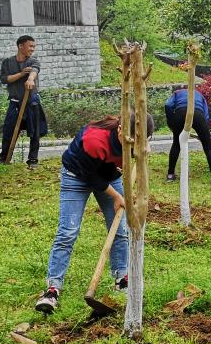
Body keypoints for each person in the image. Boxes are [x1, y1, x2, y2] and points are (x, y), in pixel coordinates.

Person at [35, 113, 155, 315]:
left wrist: (143, 150)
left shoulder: (139, 141)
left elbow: (134, 162)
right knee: (68, 231)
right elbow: (91, 178)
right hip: (77, 175)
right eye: (133, 140)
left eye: (141, 140)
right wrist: (117, 196)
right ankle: (52, 289)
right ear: (120, 130)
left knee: (119, 229)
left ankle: (122, 280)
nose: (136, 144)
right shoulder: (95, 139)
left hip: (109, 174)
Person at [0, 35, 47, 167]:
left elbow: (34, 71)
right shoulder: (8, 62)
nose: (33, 49)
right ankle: (4, 159)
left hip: (32, 102)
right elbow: (4, 79)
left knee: (34, 132)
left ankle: (33, 160)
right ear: (21, 46)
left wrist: (30, 79)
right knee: (9, 130)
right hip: (14, 102)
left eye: (34, 46)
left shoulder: (33, 61)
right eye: (30, 46)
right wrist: (21, 74)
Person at [164, 86, 211, 185]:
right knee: (208, 147)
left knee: (176, 144)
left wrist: (171, 121)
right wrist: (203, 132)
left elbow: (168, 105)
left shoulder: (177, 93)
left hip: (180, 113)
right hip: (198, 113)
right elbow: (206, 116)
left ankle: (170, 175)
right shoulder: (200, 95)